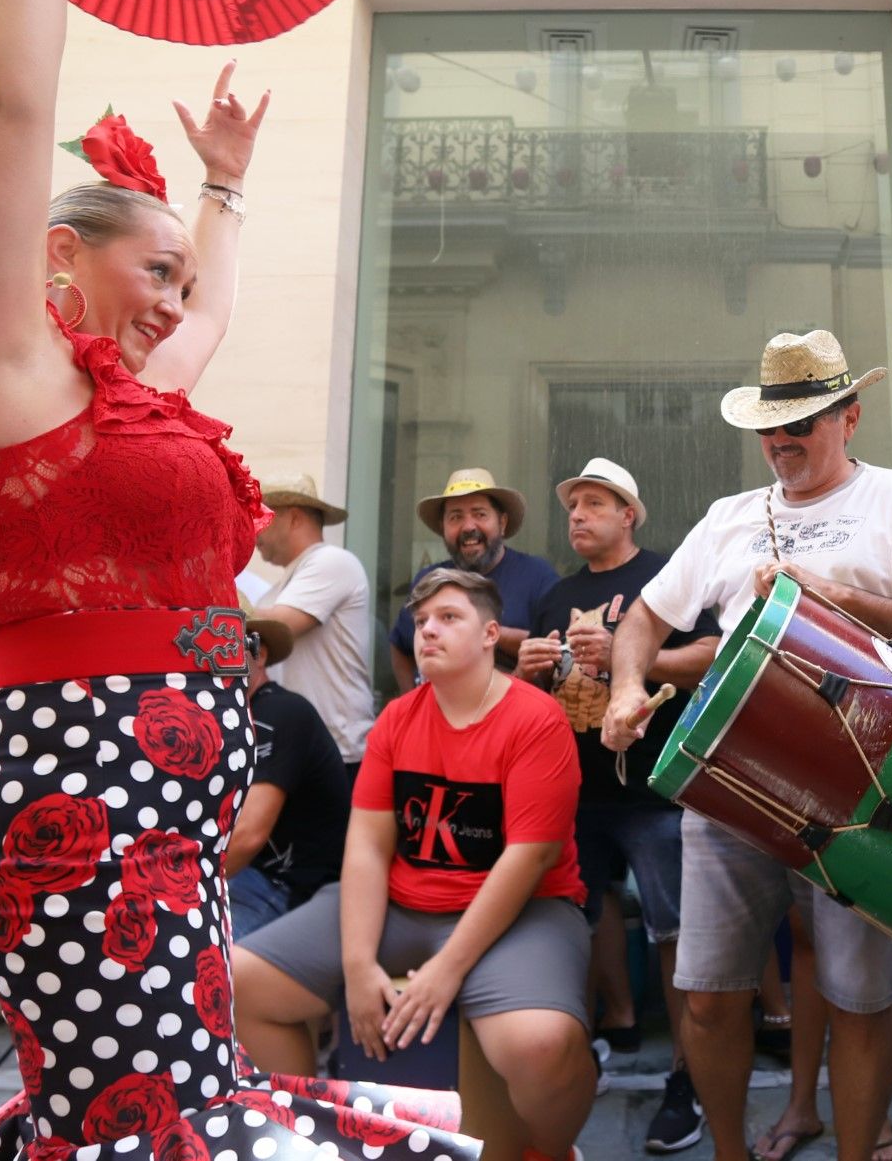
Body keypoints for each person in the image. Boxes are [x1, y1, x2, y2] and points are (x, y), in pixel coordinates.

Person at [0, 0, 472, 1157]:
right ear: (61, 261)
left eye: (177, 283)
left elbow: (206, 320)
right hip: (75, 817)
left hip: (156, 814)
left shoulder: (120, 403)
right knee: (155, 1128)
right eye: (152, 274)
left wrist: (221, 193)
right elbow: (1, 104)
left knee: (161, 1118)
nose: (172, 308)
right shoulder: (1, 366)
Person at [603, 329, 892, 1161]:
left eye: (803, 421)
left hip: (863, 787)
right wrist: (628, 686)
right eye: (772, 425)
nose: (783, 440)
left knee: (860, 997)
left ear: (850, 416)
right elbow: (646, 618)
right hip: (729, 779)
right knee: (704, 995)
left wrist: (833, 593)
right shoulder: (728, 518)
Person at [233, 569, 597, 1161]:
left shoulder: (535, 719)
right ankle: (307, 1138)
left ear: (490, 634)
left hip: (524, 909)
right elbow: (368, 847)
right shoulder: (399, 718)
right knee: (241, 984)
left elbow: (529, 860)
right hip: (406, 904)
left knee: (541, 1045)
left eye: (449, 618)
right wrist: (356, 965)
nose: (428, 630)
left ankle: (552, 1150)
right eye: (422, 620)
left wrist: (447, 970)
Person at [518, 457, 720, 1153]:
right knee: (580, 915)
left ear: (628, 514)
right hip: (573, 791)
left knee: (677, 935)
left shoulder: (666, 581)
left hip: (657, 789)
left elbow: (718, 656)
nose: (578, 515)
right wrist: (528, 676)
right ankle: (610, 1032)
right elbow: (540, 704)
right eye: (574, 505)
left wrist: (632, 657)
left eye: (595, 503)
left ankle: (687, 1076)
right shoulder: (552, 594)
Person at [224, 615, 349, 937]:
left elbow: (249, 835)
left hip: (286, 886)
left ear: (259, 653)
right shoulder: (232, 716)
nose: (212, 654)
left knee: (201, 971)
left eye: (225, 641)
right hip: (249, 878)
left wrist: (178, 884)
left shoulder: (280, 712)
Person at [390, 468, 559, 693]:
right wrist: (412, 699)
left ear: (502, 522)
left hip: (518, 720)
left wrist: (479, 632)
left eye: (480, 514)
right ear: (443, 527)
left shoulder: (538, 576)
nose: (469, 527)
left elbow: (557, 649)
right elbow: (400, 645)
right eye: (456, 517)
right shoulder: (428, 581)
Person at [253, 475, 375, 771]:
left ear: (294, 518)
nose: (253, 531)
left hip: (337, 751)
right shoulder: (280, 588)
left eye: (261, 518)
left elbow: (279, 625)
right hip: (297, 746)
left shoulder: (332, 561)